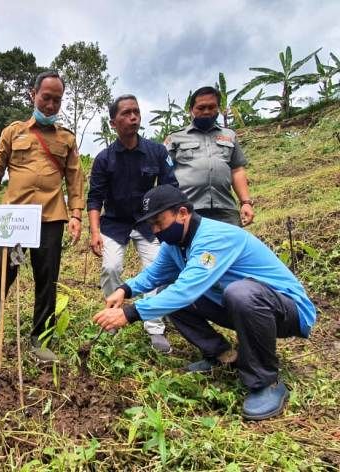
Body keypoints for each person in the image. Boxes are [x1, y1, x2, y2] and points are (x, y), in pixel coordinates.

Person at [93, 185, 316, 420]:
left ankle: (266, 381)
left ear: (182, 213)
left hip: (287, 310)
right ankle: (222, 355)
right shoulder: (175, 244)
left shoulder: (213, 237)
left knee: (238, 292)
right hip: (242, 307)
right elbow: (155, 275)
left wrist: (130, 313)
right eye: (152, 226)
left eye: (160, 222)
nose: (156, 231)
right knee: (168, 291)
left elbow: (187, 290)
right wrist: (124, 289)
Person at [0, 71, 85, 363]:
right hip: (12, 220)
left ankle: (40, 342)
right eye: (46, 97)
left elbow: (75, 177)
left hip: (52, 218)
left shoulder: (66, 138)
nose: (51, 105)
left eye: (57, 100)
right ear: (33, 94)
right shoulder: (13, 132)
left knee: (47, 280)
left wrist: (77, 215)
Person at [87, 94, 178, 354]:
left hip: (149, 224)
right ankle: (112, 317)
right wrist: (95, 232)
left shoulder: (157, 152)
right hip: (114, 224)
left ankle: (155, 327)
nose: (133, 117)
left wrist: (167, 223)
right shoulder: (104, 159)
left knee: (157, 272)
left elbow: (170, 187)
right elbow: (94, 198)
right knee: (111, 266)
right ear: (113, 122)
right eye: (126, 113)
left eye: (136, 112)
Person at [165, 86, 254, 227]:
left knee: (230, 247)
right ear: (191, 110)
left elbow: (237, 170)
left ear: (218, 108)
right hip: (189, 210)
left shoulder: (229, 136)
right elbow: (165, 173)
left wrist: (246, 203)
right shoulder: (175, 138)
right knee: (193, 248)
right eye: (201, 108)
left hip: (226, 210)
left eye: (211, 107)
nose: (206, 111)